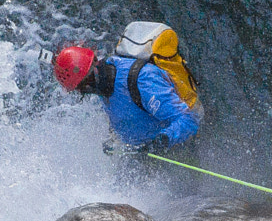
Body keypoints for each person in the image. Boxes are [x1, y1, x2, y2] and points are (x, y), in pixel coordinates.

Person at [52, 40, 201, 155]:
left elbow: (189, 119)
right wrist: (115, 140)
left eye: (84, 86)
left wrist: (162, 141)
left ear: (94, 65)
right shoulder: (102, 83)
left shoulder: (143, 80)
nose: (86, 91)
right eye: (80, 89)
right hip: (140, 154)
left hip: (172, 151)